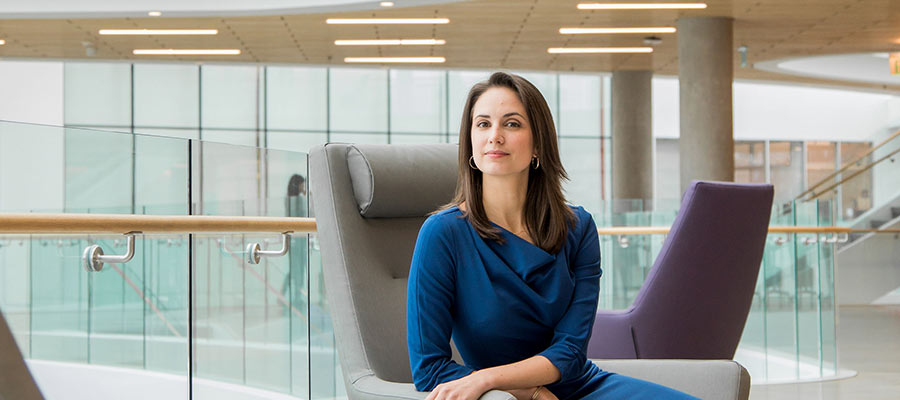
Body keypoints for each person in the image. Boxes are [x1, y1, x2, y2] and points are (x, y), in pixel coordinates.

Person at [406, 72, 697, 400]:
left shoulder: (579, 228)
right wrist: (526, 392)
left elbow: (571, 350)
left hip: (583, 386)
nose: (495, 136)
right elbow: (428, 367)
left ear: (538, 145)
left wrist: (503, 381)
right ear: (470, 141)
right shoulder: (443, 234)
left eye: (512, 124)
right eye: (483, 124)